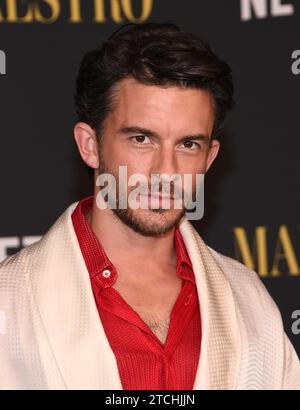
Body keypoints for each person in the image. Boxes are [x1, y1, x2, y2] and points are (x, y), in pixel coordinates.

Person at [0, 22, 299, 390]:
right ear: (90, 145)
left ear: (209, 158)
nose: (166, 171)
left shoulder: (249, 300)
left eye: (188, 145)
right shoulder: (9, 302)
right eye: (142, 139)